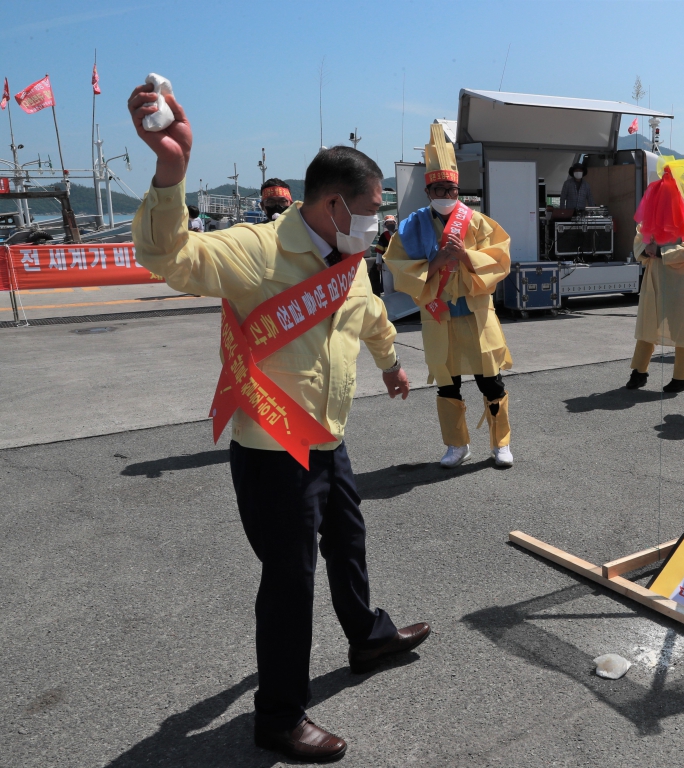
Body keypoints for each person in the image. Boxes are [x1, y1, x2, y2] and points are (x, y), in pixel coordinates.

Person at [127, 83, 428, 763]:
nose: (375, 224)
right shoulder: (258, 251)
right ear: (331, 205)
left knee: (348, 542)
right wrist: (171, 175)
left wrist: (389, 365)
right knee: (289, 583)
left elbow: (372, 316)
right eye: (371, 211)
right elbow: (171, 259)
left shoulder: (349, 262)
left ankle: (367, 636)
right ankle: (280, 717)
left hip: (328, 438)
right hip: (270, 450)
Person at [386, 123, 515, 468]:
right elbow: (397, 266)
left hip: (475, 316)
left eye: (451, 188)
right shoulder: (411, 227)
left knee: (491, 381)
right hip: (439, 316)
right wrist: (434, 264)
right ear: (428, 190)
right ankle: (457, 445)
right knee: (447, 384)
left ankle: (500, 443)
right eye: (439, 188)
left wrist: (466, 257)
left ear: (459, 190)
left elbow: (501, 260)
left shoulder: (477, 223)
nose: (446, 193)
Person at [626, 226, 684, 392]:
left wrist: (660, 251)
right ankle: (639, 371)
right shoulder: (650, 220)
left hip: (681, 283)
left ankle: (681, 377)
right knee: (648, 324)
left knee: (682, 329)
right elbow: (639, 241)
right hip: (655, 280)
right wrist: (646, 250)